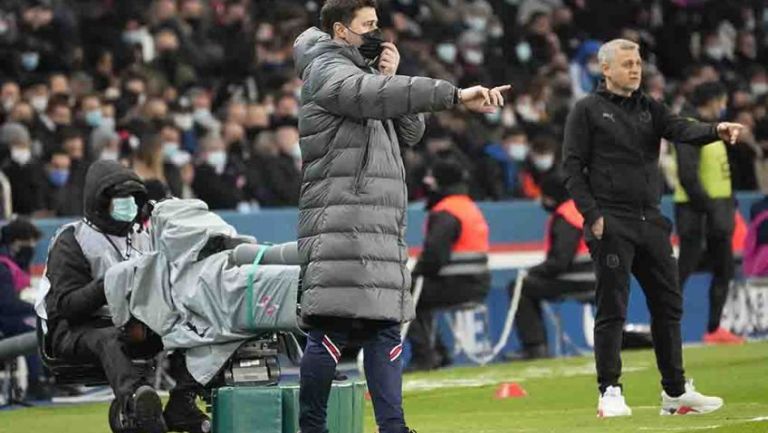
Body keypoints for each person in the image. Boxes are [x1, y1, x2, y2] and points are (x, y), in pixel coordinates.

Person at [293, 1, 508, 432]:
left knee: (384, 329)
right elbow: (369, 97)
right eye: (367, 26)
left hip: (380, 220)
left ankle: (394, 427)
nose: (377, 33)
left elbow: (410, 130)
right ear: (340, 30)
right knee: (333, 327)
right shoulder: (325, 70)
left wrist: (388, 78)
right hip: (343, 219)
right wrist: (453, 94)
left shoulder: (365, 76)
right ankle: (312, 427)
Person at [562, 39, 744, 418]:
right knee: (613, 306)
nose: (636, 69)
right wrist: (592, 214)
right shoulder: (587, 110)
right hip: (612, 221)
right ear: (606, 69)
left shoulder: (650, 109)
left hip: (651, 220)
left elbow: (680, 128)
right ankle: (609, 390)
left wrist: (715, 129)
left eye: (638, 63)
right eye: (627, 63)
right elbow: (572, 168)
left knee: (668, 304)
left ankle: (675, 393)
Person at [36, 160, 209, 433]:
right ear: (99, 201)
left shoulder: (145, 236)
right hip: (76, 330)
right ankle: (138, 401)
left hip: (136, 322)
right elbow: (67, 306)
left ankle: (181, 403)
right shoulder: (73, 240)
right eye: (119, 198)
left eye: (132, 198)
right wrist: (112, 283)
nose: (127, 204)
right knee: (109, 338)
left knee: (199, 327)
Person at [673, 81, 744, 345]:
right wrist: (707, 207)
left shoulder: (712, 130)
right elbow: (688, 174)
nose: (723, 107)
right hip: (696, 211)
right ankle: (665, 326)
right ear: (712, 101)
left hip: (717, 211)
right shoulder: (689, 128)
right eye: (720, 101)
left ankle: (714, 329)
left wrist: (726, 207)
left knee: (724, 269)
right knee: (683, 271)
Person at [407, 152, 491, 371]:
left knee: (402, 296)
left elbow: (434, 258)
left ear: (441, 182)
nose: (426, 182)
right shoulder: (467, 206)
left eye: (431, 177)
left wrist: (413, 275)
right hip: (477, 285)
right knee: (416, 296)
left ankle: (425, 355)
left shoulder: (446, 212)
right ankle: (436, 353)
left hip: (456, 286)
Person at [511, 170, 594, 360]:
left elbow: (559, 262)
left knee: (519, 287)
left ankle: (535, 347)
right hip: (602, 278)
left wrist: (531, 272)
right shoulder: (586, 207)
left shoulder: (566, 216)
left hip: (578, 279)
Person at [0, 218, 50, 400]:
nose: (31, 247)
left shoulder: (17, 265)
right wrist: (34, 307)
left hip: (17, 313)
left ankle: (53, 379)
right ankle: (36, 381)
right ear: (15, 242)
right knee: (33, 329)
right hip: (6, 318)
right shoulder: (3, 266)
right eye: (28, 243)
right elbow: (6, 304)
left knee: (48, 324)